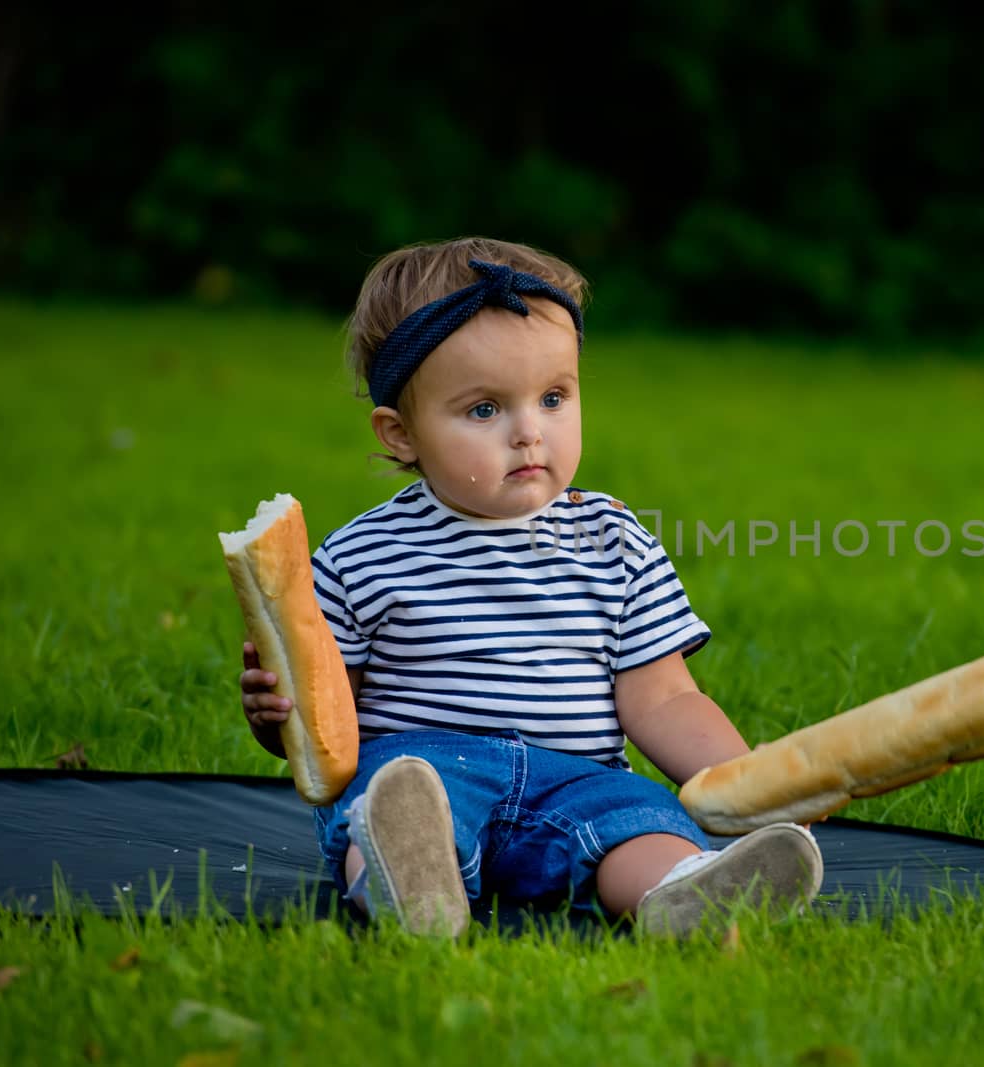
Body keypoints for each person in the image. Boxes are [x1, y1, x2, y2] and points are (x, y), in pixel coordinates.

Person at [238, 236, 823, 938]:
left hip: (578, 780)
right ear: (401, 433)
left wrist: (753, 781)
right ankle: (410, 893)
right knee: (392, 807)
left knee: (639, 820)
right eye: (485, 409)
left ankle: (684, 893)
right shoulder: (359, 556)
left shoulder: (615, 540)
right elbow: (332, 719)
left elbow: (665, 696)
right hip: (429, 772)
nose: (529, 433)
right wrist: (279, 715)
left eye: (552, 398)